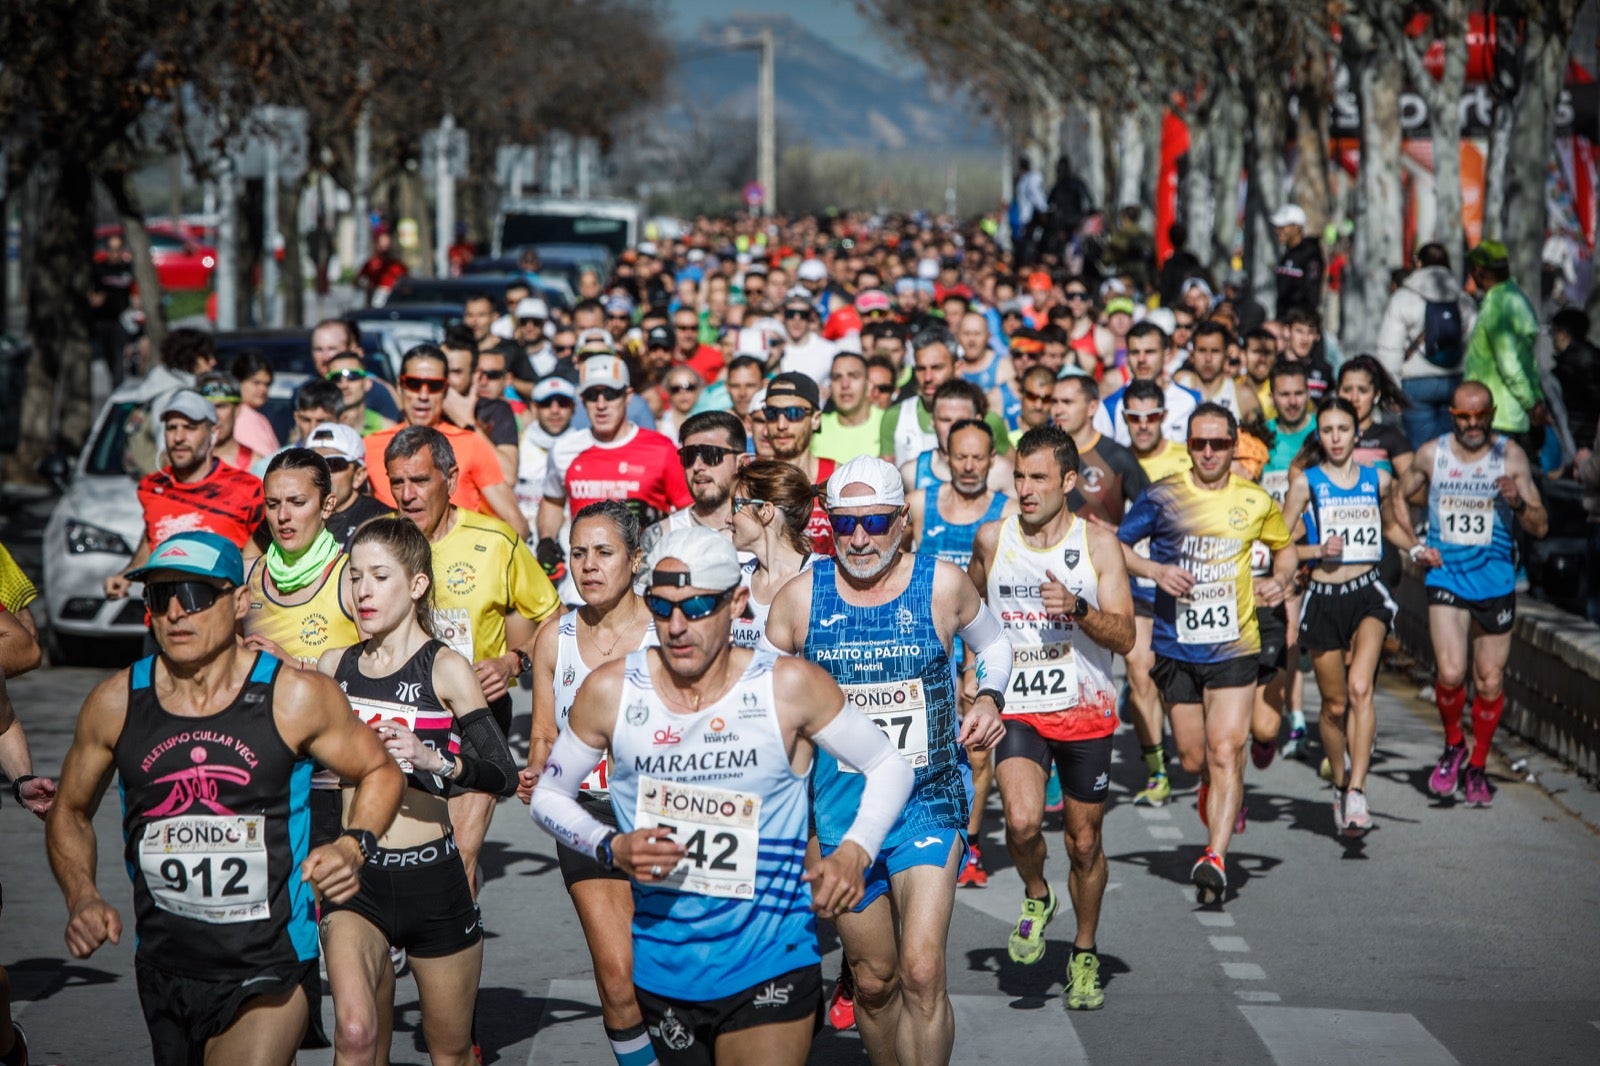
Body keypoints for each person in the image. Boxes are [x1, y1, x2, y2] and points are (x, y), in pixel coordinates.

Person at [531, 525, 915, 1065]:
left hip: (770, 959)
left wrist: (855, 851)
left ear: (736, 603)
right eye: (662, 609)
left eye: (698, 606)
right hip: (665, 965)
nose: (678, 627)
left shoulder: (788, 686)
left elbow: (888, 765)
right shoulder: (612, 690)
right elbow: (549, 794)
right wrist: (609, 846)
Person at [45, 531, 405, 1065]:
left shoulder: (294, 697)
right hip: (166, 963)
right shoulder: (116, 702)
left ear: (238, 602)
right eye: (158, 596)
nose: (174, 611)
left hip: (271, 961)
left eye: (194, 594)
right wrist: (83, 897)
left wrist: (353, 846)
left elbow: (379, 768)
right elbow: (70, 809)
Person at [765, 456, 1009, 1066]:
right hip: (838, 812)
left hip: (928, 801)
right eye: (844, 522)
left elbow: (996, 644)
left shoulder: (944, 584)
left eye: (874, 521)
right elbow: (755, 701)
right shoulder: (799, 599)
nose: (859, 537)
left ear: (902, 520)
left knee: (922, 969)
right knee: (874, 981)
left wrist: (987, 696)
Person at [318, 517, 519, 1066]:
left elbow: (502, 773)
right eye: (355, 576)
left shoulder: (447, 668)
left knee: (450, 1051)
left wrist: (435, 761)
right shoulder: (334, 667)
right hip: (356, 881)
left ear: (417, 585)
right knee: (357, 1037)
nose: (363, 590)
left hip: (434, 879)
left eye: (380, 576)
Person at [967, 426, 1134, 1007]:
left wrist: (1080, 609)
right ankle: (1037, 895)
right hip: (1020, 708)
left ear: (1068, 481)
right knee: (1020, 823)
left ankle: (1084, 953)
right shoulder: (993, 538)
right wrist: (973, 672)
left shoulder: (1099, 546)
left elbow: (1126, 633)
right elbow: (971, 611)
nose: (1026, 488)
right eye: (1019, 476)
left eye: (1039, 477)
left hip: (1085, 710)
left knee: (1085, 844)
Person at [1117, 404, 1297, 903]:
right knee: (1196, 757)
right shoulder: (1163, 495)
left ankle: (1215, 856)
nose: (1210, 452)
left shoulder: (1254, 499)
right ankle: (1212, 791)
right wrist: (1154, 572)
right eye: (1200, 444)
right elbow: (1116, 546)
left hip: (1235, 643)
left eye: (1220, 444)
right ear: (1190, 445)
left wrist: (1281, 580)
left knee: (1224, 750)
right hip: (1177, 645)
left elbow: (1284, 548)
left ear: (1234, 444)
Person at [518, 503, 662, 1066]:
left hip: (664, 813)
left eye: (604, 552)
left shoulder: (667, 628)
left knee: (672, 975)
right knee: (617, 978)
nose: (588, 565)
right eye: (578, 553)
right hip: (587, 815)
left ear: (636, 560)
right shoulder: (555, 635)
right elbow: (543, 733)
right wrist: (538, 773)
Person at [385, 426, 559, 885]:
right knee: (402, 854)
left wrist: (513, 661)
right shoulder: (378, 542)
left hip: (475, 713)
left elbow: (553, 616)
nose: (407, 495)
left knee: (459, 853)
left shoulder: (495, 540)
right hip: (399, 715)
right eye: (397, 482)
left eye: (420, 480)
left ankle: (453, 943)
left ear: (451, 478)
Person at [1278, 399, 1428, 835]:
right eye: (1328, 430)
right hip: (1324, 598)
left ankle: (1359, 790)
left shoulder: (1376, 479)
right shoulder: (1306, 484)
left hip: (1367, 594)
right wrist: (1314, 552)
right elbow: (1281, 544)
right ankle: (1342, 783)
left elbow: (1388, 526)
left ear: (1356, 434)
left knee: (1362, 688)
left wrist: (1415, 548)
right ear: (1319, 436)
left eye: (1344, 429)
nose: (1337, 438)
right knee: (1334, 705)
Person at [1397, 381, 1548, 807]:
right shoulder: (1432, 453)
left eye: (1480, 415)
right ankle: (1453, 746)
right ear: (1451, 414)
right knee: (1448, 673)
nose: (1472, 423)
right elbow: (1397, 494)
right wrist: (1414, 545)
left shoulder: (1510, 456)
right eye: (1463, 416)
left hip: (1497, 579)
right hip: (1447, 577)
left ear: (1492, 412)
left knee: (1489, 679)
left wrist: (1517, 502)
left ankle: (1477, 764)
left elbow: (1540, 525)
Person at [103, 390, 265, 603]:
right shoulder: (152, 487)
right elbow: (153, 537)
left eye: (190, 428)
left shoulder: (247, 488)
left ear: (213, 432)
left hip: (221, 624)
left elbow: (265, 554)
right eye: (171, 428)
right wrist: (126, 574)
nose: (178, 437)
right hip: (160, 621)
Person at [364, 345, 530, 540]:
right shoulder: (369, 446)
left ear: (445, 390)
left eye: (434, 386)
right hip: (398, 560)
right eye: (414, 384)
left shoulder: (470, 443)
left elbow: (517, 525)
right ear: (400, 386)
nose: (423, 395)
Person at [537, 356, 693, 560]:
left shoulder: (662, 449)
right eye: (592, 395)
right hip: (584, 572)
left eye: (610, 394)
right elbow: (552, 501)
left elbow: (690, 511)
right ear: (582, 399)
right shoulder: (563, 449)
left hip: (645, 568)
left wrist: (656, 519)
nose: (601, 405)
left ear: (628, 396)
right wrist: (546, 540)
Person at [242, 448, 360, 671]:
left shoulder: (352, 579)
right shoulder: (246, 575)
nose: (283, 516)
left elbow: (380, 672)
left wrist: (294, 666)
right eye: (273, 504)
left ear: (327, 506)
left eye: (297, 503)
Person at [1375, 242, 1476, 447]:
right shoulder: (1463, 299)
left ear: (1418, 263)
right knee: (1451, 447)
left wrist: (1391, 387)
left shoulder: (1403, 298)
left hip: (1415, 382)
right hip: (1454, 381)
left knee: (1421, 449)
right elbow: (1473, 343)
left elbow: (1390, 348)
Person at [881, 325, 1012, 468]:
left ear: (958, 368)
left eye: (937, 367)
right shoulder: (895, 417)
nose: (928, 377)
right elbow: (885, 480)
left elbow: (1013, 473)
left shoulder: (988, 421)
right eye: (921, 369)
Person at [1464, 241, 1546, 456]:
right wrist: (1535, 400)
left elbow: (1509, 363)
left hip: (1497, 415)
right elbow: (1530, 361)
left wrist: (1531, 403)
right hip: (1513, 414)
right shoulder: (1516, 297)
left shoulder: (1497, 304)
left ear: (1479, 271)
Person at [727, 461, 821, 649]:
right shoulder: (734, 579)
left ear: (766, 511)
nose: (728, 519)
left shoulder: (820, 578)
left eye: (736, 506)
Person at [642, 411, 748, 558]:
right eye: (689, 456)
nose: (697, 466)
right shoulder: (660, 537)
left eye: (711, 454)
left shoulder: (766, 532)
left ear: (741, 463)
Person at [1051, 370, 1149, 526]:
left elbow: (1151, 511)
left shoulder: (1117, 456)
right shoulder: (1046, 455)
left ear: (1092, 407)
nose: (1057, 410)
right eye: (1054, 402)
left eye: (1067, 402)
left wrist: (1123, 534)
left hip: (1101, 550)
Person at [759, 372, 838, 555]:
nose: (781, 424)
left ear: (816, 419)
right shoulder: (754, 483)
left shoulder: (837, 478)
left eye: (793, 413)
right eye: (772, 413)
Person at [1095, 322, 1200, 446]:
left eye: (1149, 352)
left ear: (1166, 355)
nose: (1141, 359)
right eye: (1135, 352)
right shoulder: (1110, 407)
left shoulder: (1191, 401)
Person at [441, 329, 520, 482]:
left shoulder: (496, 410)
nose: (446, 380)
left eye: (456, 372)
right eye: (442, 371)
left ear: (474, 375)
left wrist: (467, 422)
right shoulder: (422, 408)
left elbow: (508, 477)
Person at [305, 422, 393, 548]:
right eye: (312, 464)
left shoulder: (382, 520)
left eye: (334, 464)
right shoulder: (290, 515)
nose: (323, 473)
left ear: (358, 476)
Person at [516, 376, 578, 535]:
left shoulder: (584, 448)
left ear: (574, 407)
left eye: (563, 403)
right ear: (534, 408)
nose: (555, 410)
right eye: (546, 403)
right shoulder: (516, 443)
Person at [1176, 321, 1262, 422]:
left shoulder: (1244, 397)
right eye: (1202, 350)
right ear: (1192, 354)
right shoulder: (1178, 385)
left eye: (1215, 351)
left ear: (1226, 355)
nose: (1208, 358)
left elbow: (1261, 435)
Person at [814, 351, 887, 463]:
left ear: (868, 385)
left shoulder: (888, 422)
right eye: (837, 377)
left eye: (853, 376)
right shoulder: (815, 427)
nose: (845, 385)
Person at [1270, 204, 1323, 318]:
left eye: (1283, 227)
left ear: (1297, 227)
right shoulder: (1286, 254)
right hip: (1282, 318)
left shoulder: (1311, 255)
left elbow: (1312, 295)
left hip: (1299, 322)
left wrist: (1298, 322)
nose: (1278, 231)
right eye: (1277, 227)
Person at [325, 351, 395, 437]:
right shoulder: (315, 426)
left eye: (353, 376)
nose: (344, 385)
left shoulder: (388, 430)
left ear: (367, 383)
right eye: (336, 377)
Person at [230, 351, 282, 457]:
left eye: (267, 384)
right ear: (238, 382)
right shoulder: (243, 416)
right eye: (256, 383)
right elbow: (263, 463)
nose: (263, 389)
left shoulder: (255, 416)